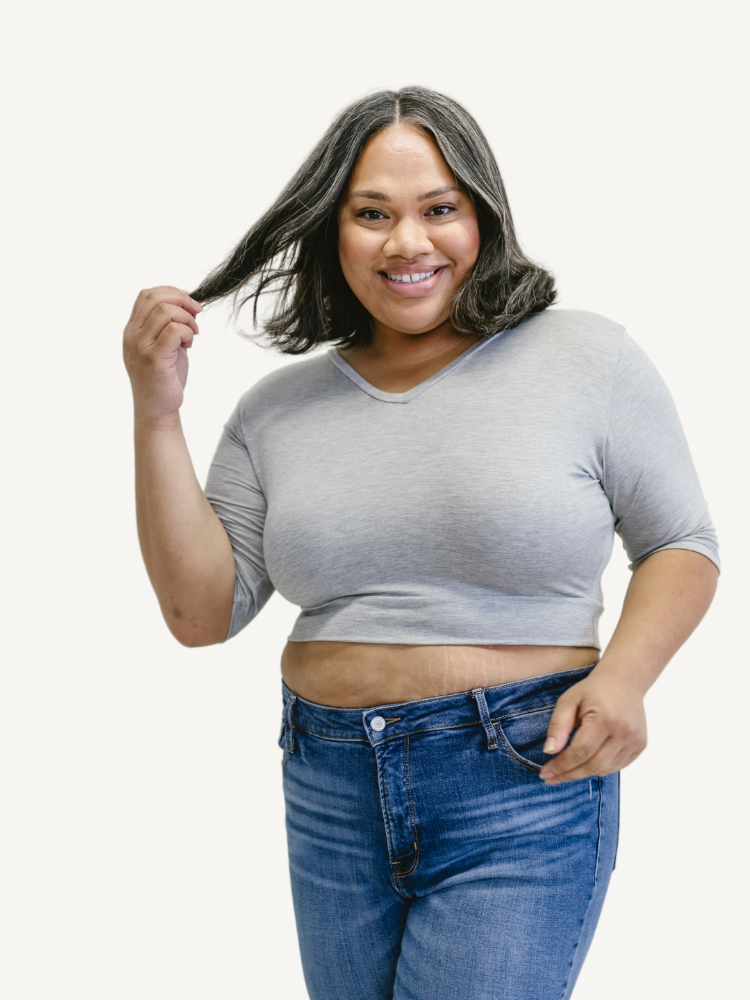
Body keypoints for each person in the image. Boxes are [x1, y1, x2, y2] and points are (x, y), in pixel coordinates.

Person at [122, 86, 719, 1000]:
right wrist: (158, 413)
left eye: (439, 209)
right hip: (329, 788)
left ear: (481, 216)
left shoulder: (585, 358)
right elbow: (202, 614)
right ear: (334, 230)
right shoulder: (275, 412)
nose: (409, 243)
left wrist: (626, 678)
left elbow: (680, 541)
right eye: (373, 214)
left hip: (524, 776)